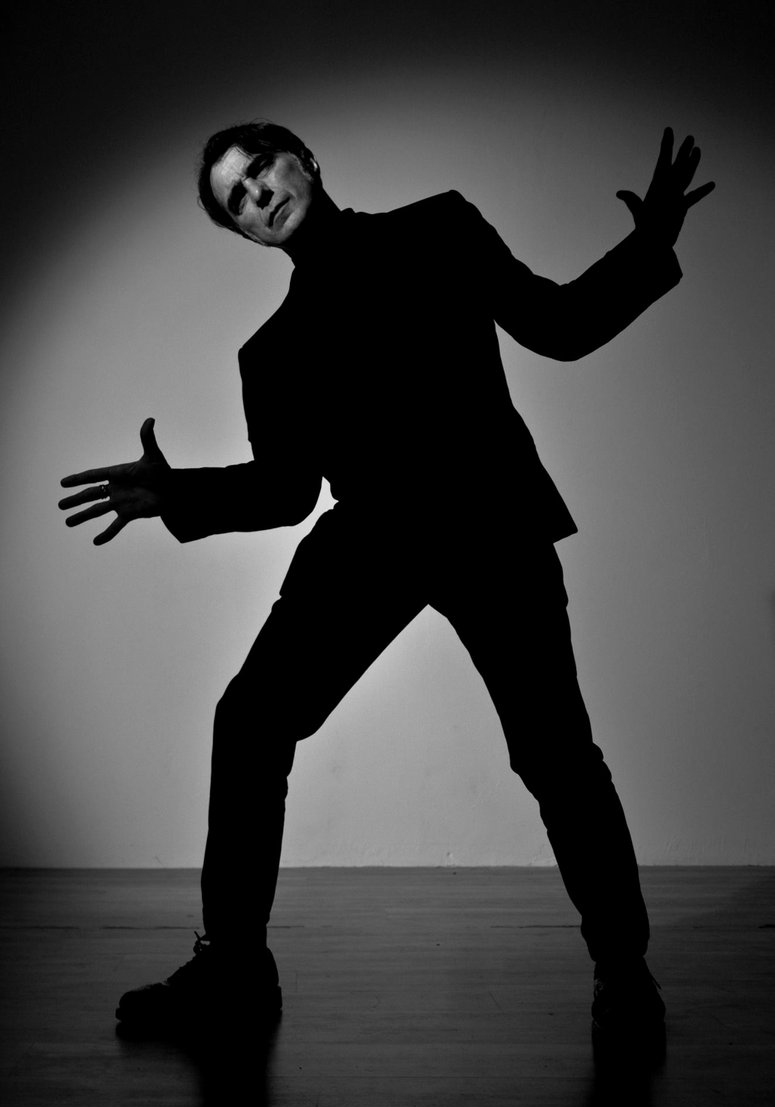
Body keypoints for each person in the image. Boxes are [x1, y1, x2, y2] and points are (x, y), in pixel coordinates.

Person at [60, 122, 714, 1039]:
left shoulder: (437, 228)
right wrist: (178, 493)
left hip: (489, 520)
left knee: (554, 752)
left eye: (260, 169)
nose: (256, 195)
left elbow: (558, 326)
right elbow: (286, 492)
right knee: (250, 721)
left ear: (305, 160)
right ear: (241, 232)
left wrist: (648, 246)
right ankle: (235, 967)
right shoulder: (270, 353)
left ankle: (623, 970)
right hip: (372, 539)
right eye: (235, 200)